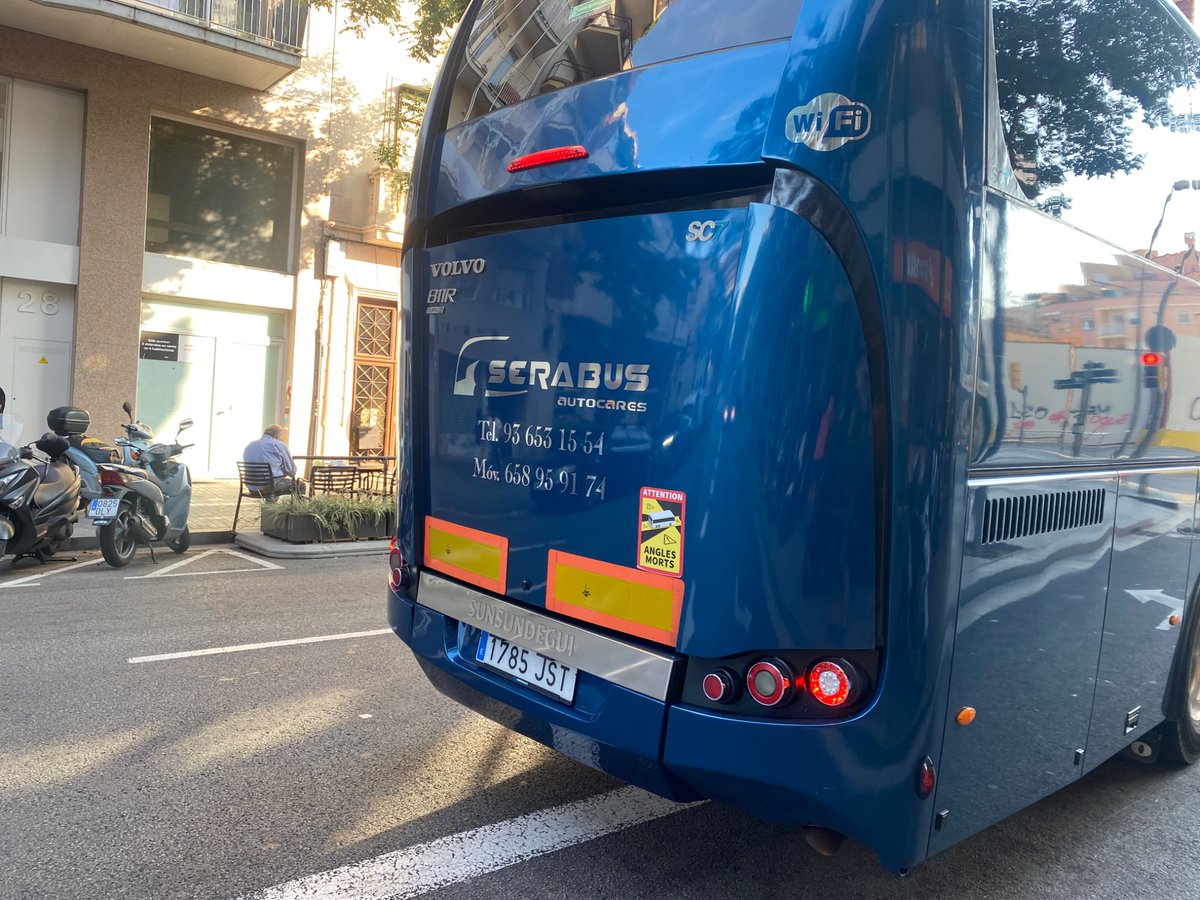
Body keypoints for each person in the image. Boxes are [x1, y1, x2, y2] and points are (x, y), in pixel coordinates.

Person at [243, 424, 303, 496]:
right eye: (281, 436)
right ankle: (296, 507)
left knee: (274, 479)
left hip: (252, 487)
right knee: (301, 485)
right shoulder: (278, 445)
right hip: (268, 488)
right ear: (276, 435)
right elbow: (291, 470)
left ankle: (269, 506)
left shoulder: (250, 445)